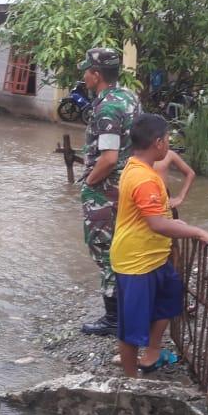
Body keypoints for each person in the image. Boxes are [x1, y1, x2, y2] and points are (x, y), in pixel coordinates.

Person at [113, 114, 208, 377]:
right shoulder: (144, 178)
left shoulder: (136, 166)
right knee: (131, 327)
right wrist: (197, 232)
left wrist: (180, 225)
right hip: (136, 261)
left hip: (155, 256)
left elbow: (154, 216)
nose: (169, 144)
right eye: (168, 139)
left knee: (170, 299)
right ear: (159, 142)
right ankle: (130, 380)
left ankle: (152, 353)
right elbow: (157, 224)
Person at [78, 48, 141, 336]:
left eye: (86, 71)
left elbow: (108, 158)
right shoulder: (129, 97)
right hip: (128, 185)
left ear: (96, 75)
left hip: (107, 190)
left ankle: (113, 318)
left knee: (104, 250)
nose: (84, 75)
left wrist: (89, 183)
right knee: (122, 247)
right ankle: (127, 308)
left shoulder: (107, 108)